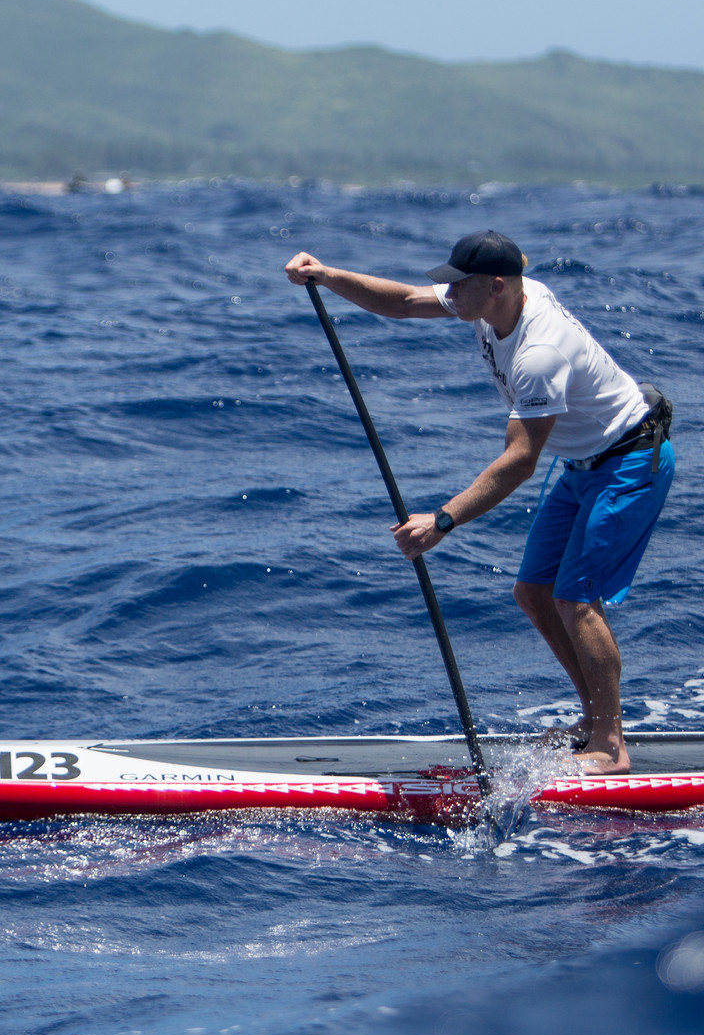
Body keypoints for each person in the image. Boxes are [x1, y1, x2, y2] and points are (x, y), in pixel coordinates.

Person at [284, 230, 674, 774]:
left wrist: (443, 519)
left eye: (457, 286)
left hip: (630, 461)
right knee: (534, 592)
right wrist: (327, 275)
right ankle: (591, 719)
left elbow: (519, 460)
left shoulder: (540, 351)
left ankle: (611, 745)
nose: (448, 295)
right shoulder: (497, 300)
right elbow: (402, 301)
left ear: (495, 287)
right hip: (584, 463)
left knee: (576, 599)